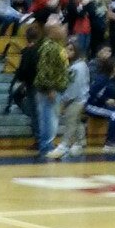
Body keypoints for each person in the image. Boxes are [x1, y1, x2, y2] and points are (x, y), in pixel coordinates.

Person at [33, 20, 70, 159]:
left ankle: (48, 146)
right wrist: (50, 88)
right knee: (48, 119)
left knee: (51, 119)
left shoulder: (56, 46)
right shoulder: (50, 47)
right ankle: (46, 148)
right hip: (50, 90)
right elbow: (44, 70)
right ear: (52, 31)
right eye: (59, 27)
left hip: (56, 88)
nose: (63, 29)